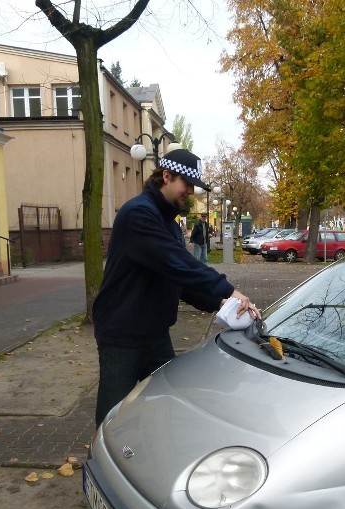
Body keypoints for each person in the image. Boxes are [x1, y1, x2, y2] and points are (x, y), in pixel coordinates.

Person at [92, 148, 259, 427]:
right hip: (121, 335)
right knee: (113, 418)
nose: (191, 191)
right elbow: (178, 263)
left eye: (194, 186)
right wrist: (228, 290)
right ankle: (97, 465)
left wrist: (218, 303)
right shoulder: (138, 215)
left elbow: (177, 280)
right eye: (187, 183)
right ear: (166, 176)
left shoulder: (167, 223)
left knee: (164, 407)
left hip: (155, 334)